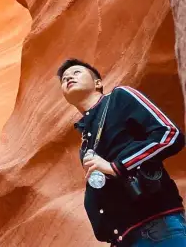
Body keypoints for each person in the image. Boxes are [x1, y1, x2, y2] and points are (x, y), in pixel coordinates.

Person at [58, 58, 186, 245]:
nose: (68, 77)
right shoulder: (86, 141)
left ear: (98, 83)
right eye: (64, 79)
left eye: (76, 72)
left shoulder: (120, 97)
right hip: (123, 239)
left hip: (158, 227)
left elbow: (169, 135)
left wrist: (117, 166)